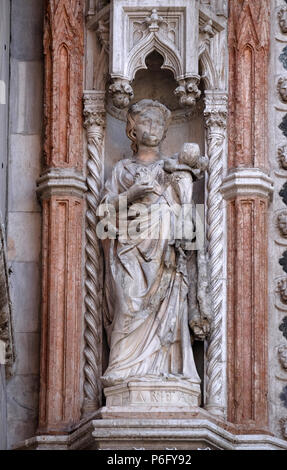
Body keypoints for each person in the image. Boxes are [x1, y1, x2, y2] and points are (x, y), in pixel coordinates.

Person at [100, 99, 204, 388]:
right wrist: (132, 193)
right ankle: (122, 369)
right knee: (127, 303)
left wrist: (181, 188)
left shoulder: (173, 169)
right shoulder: (122, 170)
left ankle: (168, 372)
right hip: (129, 253)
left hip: (166, 255)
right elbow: (101, 218)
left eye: (159, 123)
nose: (153, 128)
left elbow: (191, 221)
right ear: (132, 131)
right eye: (146, 122)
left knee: (171, 309)